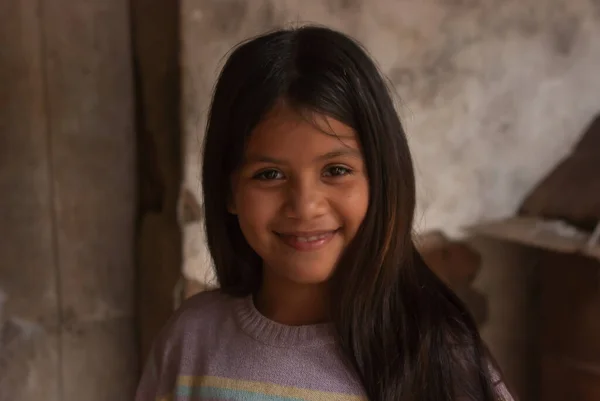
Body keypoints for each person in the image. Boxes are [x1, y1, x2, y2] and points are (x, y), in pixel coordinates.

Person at [136, 25, 516, 401]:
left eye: (336, 171)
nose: (305, 205)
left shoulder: (440, 360)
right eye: (269, 175)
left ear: (381, 179)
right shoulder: (191, 344)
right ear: (229, 191)